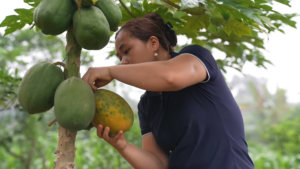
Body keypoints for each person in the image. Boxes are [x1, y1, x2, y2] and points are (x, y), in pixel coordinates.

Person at [82, 13, 254, 169]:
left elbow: (170, 77)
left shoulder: (196, 56)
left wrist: (111, 71)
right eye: (120, 59)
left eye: (126, 51)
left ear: (153, 43)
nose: (123, 63)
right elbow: (159, 164)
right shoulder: (147, 104)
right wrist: (122, 146)